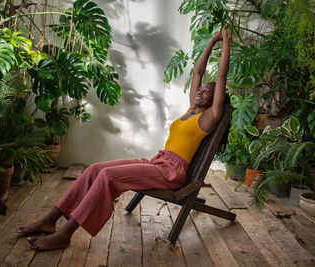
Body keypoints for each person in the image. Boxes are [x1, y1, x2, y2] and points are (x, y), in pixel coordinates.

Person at [17, 25, 232, 251]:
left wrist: (226, 41)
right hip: (157, 161)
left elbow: (221, 75)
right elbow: (198, 73)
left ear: (214, 101)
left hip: (171, 173)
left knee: (108, 176)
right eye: (201, 90)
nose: (199, 91)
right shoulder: (191, 110)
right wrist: (212, 41)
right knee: (94, 170)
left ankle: (65, 233)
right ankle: (51, 219)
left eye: (206, 92)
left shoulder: (209, 117)